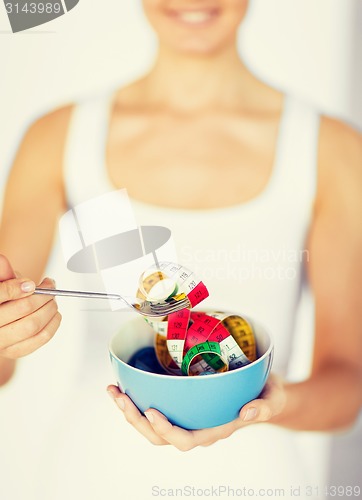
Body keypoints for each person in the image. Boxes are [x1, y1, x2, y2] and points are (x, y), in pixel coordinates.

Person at [0, 0, 361, 498]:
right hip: (93, 477)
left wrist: (270, 403)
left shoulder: (333, 150)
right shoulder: (57, 138)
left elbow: (346, 389)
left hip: (259, 480)